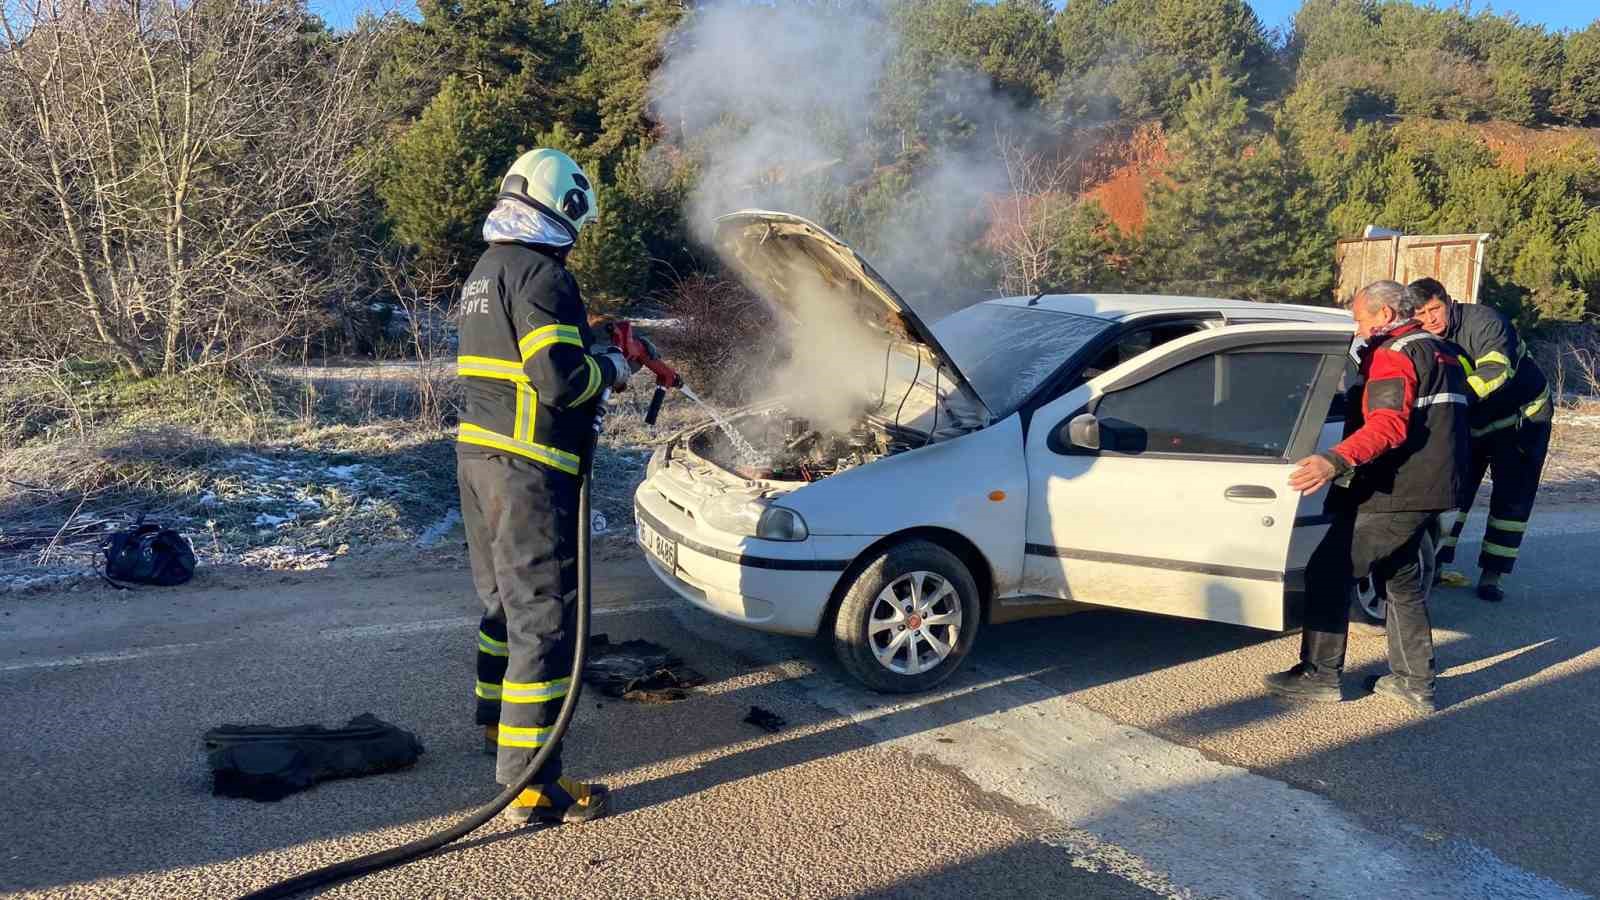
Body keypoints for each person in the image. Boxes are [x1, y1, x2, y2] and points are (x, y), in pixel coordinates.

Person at [455, 148, 636, 824]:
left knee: (502, 605)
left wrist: (590, 342)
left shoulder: (487, 269)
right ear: (566, 205)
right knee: (545, 622)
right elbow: (562, 382)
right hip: (529, 472)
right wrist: (613, 367)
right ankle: (530, 785)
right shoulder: (542, 273)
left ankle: (492, 721)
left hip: (478, 461)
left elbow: (526, 353)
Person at [1264, 280, 1470, 713]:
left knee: (1328, 571)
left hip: (1396, 488)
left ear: (1385, 315)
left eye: (1360, 319)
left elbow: (1388, 426)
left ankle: (1319, 676)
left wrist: (1333, 460)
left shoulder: (1395, 355)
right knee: (1400, 578)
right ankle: (1414, 682)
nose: (1357, 329)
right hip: (1433, 484)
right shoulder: (1441, 349)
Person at [1409, 277, 1552, 603]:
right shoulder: (1420, 337)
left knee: (1511, 498)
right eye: (1421, 314)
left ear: (1448, 301)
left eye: (1435, 309)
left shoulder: (1485, 322)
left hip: (1521, 419)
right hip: (1472, 421)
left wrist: (1451, 402)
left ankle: (1493, 574)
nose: (1431, 319)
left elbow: (1496, 372)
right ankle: (1439, 565)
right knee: (1453, 492)